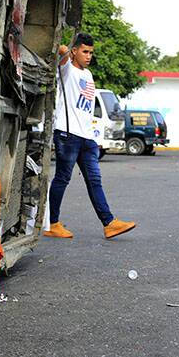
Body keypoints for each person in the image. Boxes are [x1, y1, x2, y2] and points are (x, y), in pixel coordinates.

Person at [44, 33, 136, 239]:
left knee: (95, 180)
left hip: (87, 137)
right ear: (75, 51)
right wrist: (68, 50)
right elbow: (60, 50)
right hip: (68, 134)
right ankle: (53, 224)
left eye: (91, 53)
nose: (88, 56)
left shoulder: (88, 75)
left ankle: (109, 223)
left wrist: (93, 137)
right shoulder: (66, 70)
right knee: (62, 178)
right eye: (85, 51)